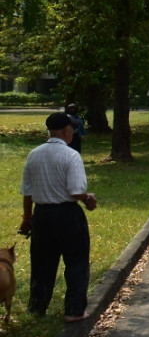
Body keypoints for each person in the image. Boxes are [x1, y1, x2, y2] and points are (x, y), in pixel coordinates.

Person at [20, 112, 98, 322]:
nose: (73, 131)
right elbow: (76, 191)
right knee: (76, 261)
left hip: (42, 215)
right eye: (72, 128)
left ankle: (37, 307)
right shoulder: (71, 155)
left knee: (42, 263)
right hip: (67, 214)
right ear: (66, 130)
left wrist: (27, 217)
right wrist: (88, 198)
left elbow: (27, 192)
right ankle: (74, 310)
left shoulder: (33, 154)